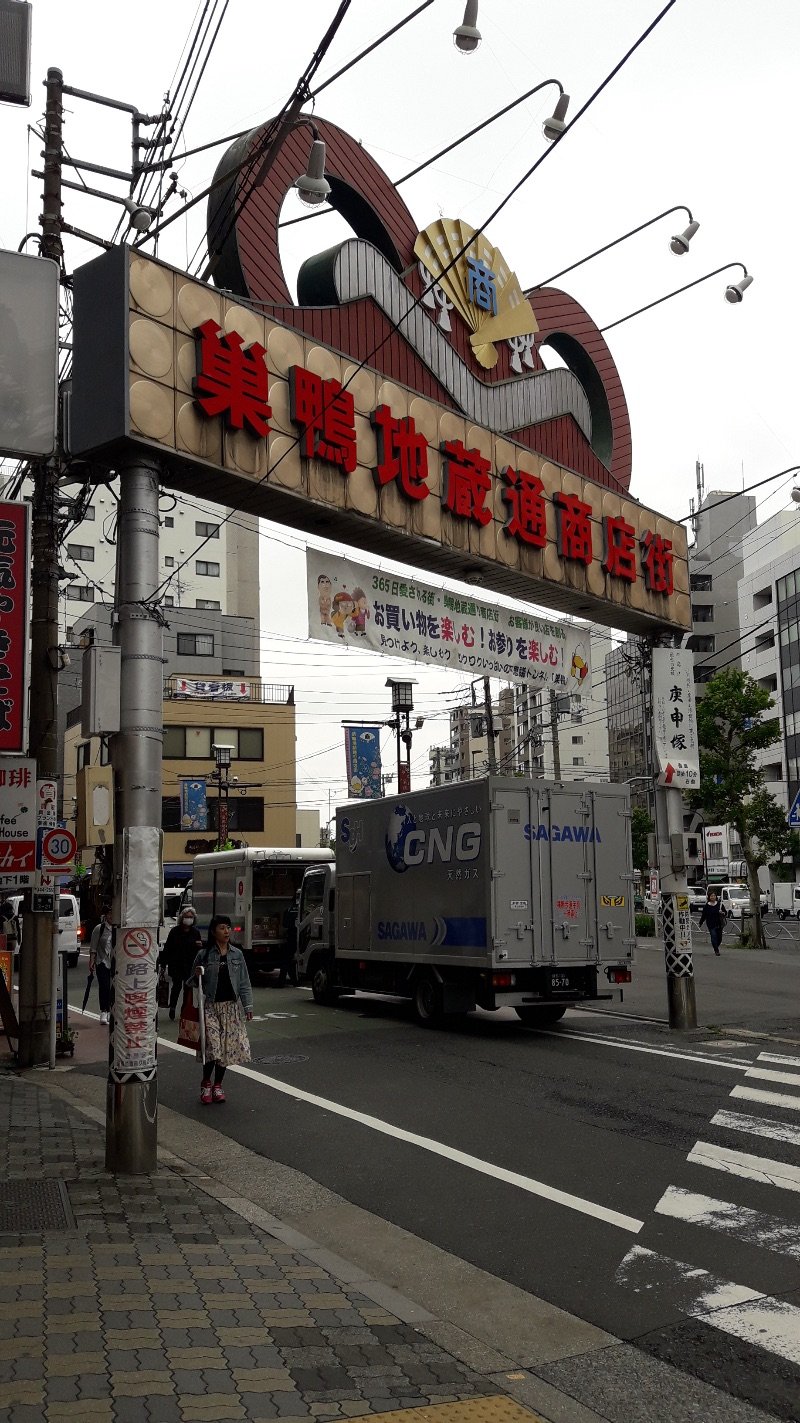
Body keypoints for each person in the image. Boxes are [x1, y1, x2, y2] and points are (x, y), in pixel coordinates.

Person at [190, 915, 253, 1105]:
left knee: (225, 1049)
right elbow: (191, 980)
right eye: (222, 928)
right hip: (210, 1007)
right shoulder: (204, 955)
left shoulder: (237, 954)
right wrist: (197, 974)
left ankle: (218, 1085)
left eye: (228, 928)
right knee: (212, 1046)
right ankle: (206, 1082)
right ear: (213, 931)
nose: (226, 931)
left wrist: (248, 1005)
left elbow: (244, 982)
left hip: (231, 1008)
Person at [159, 905, 203, 1019]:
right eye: (187, 916)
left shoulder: (195, 932)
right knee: (176, 986)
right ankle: (173, 1007)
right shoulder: (175, 931)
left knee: (188, 988)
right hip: (176, 963)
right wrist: (163, 964)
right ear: (182, 918)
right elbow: (168, 948)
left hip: (190, 964)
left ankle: (184, 1009)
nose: (189, 919)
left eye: (191, 917)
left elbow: (199, 949)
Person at [89, 905, 113, 1023]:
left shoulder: (119, 928)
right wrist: (92, 961)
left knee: (114, 987)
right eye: (110, 914)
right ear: (105, 915)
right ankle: (104, 1011)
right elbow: (93, 947)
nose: (112, 916)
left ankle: (111, 1010)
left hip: (115, 962)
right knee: (104, 986)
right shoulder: (99, 928)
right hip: (102, 960)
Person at [699, 891, 726, 955]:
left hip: (719, 923)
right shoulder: (707, 906)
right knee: (713, 936)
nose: (713, 897)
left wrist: (722, 912)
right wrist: (700, 922)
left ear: (716, 896)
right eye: (711, 896)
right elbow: (704, 915)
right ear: (709, 897)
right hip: (711, 924)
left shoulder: (720, 904)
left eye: (714, 896)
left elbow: (725, 913)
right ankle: (716, 950)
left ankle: (716, 946)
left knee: (719, 938)